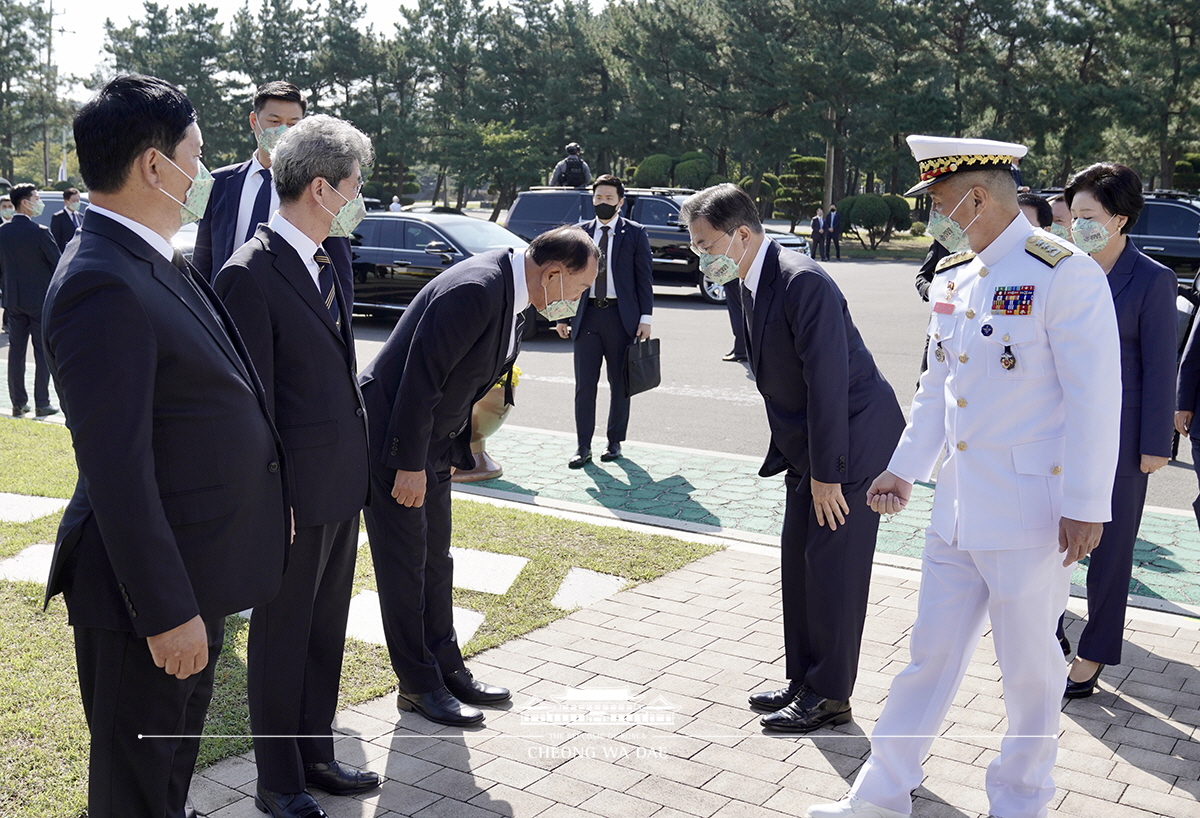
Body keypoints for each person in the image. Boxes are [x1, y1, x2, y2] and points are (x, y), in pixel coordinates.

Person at [808, 136, 1122, 818]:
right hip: (955, 510)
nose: (932, 220)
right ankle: (882, 794)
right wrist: (903, 470)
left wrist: (1087, 504)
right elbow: (938, 388)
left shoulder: (1063, 273)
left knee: (1031, 674)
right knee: (928, 659)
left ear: (978, 197)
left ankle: (1020, 802)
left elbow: (1097, 399)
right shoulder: (956, 276)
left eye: (940, 204)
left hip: (1032, 515)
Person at [41, 73, 288, 818]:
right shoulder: (101, 280)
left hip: (193, 574)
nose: (206, 172)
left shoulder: (152, 255)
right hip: (143, 598)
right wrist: (167, 609)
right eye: (198, 153)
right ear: (155, 165)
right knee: (135, 793)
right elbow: (116, 470)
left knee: (169, 779)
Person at [680, 184, 905, 734]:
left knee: (834, 568)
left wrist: (829, 474)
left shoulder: (803, 282)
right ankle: (805, 678)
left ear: (742, 235)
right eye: (694, 245)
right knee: (799, 560)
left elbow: (827, 383)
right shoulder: (744, 278)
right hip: (812, 444)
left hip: (851, 441)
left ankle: (831, 695)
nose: (699, 255)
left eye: (705, 243)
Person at [360, 226, 597, 727]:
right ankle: (418, 685)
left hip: (433, 445)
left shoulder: (514, 293)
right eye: (578, 289)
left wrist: (449, 452)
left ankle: (447, 668)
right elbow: (419, 381)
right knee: (406, 567)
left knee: (435, 559)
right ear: (553, 274)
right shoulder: (476, 290)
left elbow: (464, 382)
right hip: (396, 441)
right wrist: (408, 465)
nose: (578, 300)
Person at [213, 115, 378, 818]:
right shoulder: (249, 272)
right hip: (290, 497)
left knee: (322, 632)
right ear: (320, 187)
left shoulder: (326, 258)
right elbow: (251, 404)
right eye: (354, 186)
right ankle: (277, 780)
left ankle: (316, 753)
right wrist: (267, 498)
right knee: (280, 642)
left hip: (340, 485)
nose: (358, 196)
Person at [1056, 163, 1174, 697]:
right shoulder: (1060, 269)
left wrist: (1155, 445)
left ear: (1119, 219)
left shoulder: (1151, 279)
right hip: (1057, 431)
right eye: (1071, 215)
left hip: (1124, 441)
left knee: (1111, 549)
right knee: (1048, 537)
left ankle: (1094, 653)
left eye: (1087, 216)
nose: (1074, 226)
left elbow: (1159, 367)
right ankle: (1045, 633)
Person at [194, 81, 352, 294]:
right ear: (254, 121)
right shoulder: (219, 183)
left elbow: (340, 269)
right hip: (225, 307)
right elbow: (203, 259)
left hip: (287, 313)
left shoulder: (320, 189)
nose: (283, 131)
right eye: (274, 121)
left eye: (293, 124)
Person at [558, 175, 653, 467]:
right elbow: (567, 276)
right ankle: (582, 446)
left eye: (609, 198)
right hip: (586, 317)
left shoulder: (635, 233)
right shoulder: (580, 233)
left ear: (620, 202)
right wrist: (563, 315)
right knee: (584, 385)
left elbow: (644, 279)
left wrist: (646, 318)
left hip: (620, 318)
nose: (603, 203)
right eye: (598, 198)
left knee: (619, 384)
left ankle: (614, 442)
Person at [0, 183, 59, 417]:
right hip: (39, 300)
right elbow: (58, 265)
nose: (39, 201)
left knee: (16, 352)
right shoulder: (40, 232)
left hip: (13, 300)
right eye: (36, 197)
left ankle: (18, 402)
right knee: (41, 353)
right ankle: (42, 402)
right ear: (25, 202)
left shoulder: (2, 232)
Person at [721, 276, 749, 362]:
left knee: (736, 311)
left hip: (732, 274)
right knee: (740, 310)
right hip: (739, 274)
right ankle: (742, 348)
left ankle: (741, 349)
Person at [51, 187, 84, 251]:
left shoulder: (81, 217)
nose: (77, 203)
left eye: (78, 200)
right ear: (66, 202)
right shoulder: (58, 217)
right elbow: (56, 241)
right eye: (74, 201)